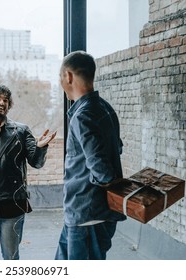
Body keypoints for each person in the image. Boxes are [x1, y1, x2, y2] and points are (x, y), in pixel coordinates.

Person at [0, 84, 56, 260]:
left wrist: (40, 147)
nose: (2, 103)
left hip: (12, 205)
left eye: (6, 100)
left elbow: (36, 162)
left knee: (11, 257)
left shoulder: (20, 131)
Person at [55, 51, 126, 260]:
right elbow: (116, 149)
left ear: (68, 76)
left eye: (60, 78)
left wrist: (99, 180)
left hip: (87, 216)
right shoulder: (105, 108)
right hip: (82, 216)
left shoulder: (83, 115)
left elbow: (102, 171)